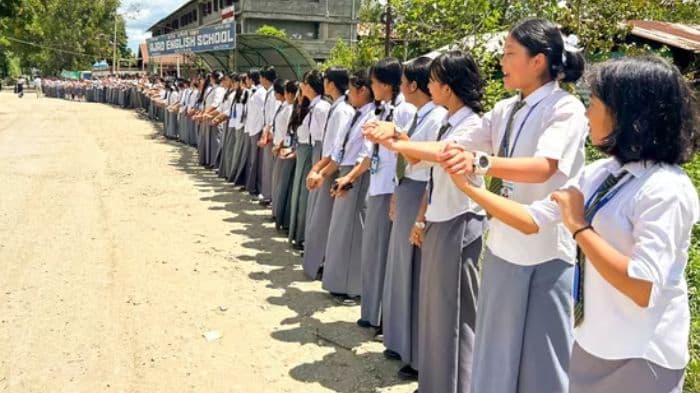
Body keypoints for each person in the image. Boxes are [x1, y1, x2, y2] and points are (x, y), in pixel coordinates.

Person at [445, 55, 699, 393]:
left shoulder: (665, 188)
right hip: (592, 341)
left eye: (594, 103)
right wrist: (468, 186)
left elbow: (642, 286)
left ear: (629, 113)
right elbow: (532, 220)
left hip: (639, 355)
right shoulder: (603, 173)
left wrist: (579, 227)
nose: (586, 113)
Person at [435, 18, 589, 393]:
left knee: (543, 358)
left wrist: (480, 163)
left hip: (543, 250)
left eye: (509, 53)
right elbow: (454, 147)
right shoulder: (507, 109)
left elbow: (543, 167)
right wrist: (399, 144)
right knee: (496, 350)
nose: (501, 61)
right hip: (504, 240)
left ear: (538, 61)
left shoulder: (564, 108)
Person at [364, 50, 486, 393]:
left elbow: (442, 156)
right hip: (440, 215)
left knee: (454, 313)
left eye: (434, 79)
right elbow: (432, 176)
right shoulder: (449, 120)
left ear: (448, 87)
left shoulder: (473, 123)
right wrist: (421, 218)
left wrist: (396, 138)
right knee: (438, 309)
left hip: (460, 219)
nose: (428, 85)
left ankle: (455, 384)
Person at [380, 56, 447, 381]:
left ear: (415, 85)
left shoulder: (436, 118)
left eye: (405, 81)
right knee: (402, 269)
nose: (402, 87)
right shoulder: (423, 115)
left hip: (422, 193)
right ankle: (400, 341)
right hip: (409, 189)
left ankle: (417, 352)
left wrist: (394, 142)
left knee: (414, 273)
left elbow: (420, 160)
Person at [358, 57, 416, 329]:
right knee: (373, 250)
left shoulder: (404, 112)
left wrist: (396, 190)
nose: (371, 87)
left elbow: (405, 154)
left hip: (390, 187)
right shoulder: (382, 110)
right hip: (377, 184)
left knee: (383, 252)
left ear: (385, 84)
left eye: (373, 82)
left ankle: (381, 315)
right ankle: (371, 311)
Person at [320, 69, 375, 303]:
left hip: (356, 176)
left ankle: (354, 287)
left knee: (354, 233)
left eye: (352, 90)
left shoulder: (372, 117)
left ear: (363, 91)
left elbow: (366, 154)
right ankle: (339, 280)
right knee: (341, 231)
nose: (349, 95)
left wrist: (349, 178)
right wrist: (324, 171)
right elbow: (339, 147)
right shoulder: (356, 113)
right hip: (345, 171)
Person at [303, 67, 355, 280]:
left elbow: (337, 146)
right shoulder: (337, 108)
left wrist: (323, 171)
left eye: (325, 80)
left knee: (325, 218)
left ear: (331, 84)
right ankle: (317, 261)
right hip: (327, 165)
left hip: (333, 168)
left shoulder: (343, 110)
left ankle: (321, 263)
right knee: (320, 216)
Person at [288, 70, 330, 250]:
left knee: (308, 196)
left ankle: (305, 236)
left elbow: (323, 137)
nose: (301, 87)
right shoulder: (311, 105)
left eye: (304, 83)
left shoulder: (321, 107)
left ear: (311, 86)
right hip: (308, 149)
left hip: (316, 151)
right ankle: (299, 233)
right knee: (300, 193)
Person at [273, 81, 306, 232]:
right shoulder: (291, 109)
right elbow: (289, 131)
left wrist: (289, 148)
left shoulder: (300, 110)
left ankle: (287, 221)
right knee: (285, 184)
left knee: (290, 186)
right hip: (288, 148)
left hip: (294, 150)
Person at [258, 66, 280, 205]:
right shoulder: (269, 92)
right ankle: (267, 194)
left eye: (261, 77)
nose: (260, 80)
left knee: (270, 167)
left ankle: (270, 196)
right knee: (267, 166)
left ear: (265, 78)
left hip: (271, 134)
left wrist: (267, 135)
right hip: (267, 131)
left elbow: (273, 117)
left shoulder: (273, 94)